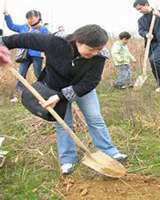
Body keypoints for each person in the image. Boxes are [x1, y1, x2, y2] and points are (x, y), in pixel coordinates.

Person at [0, 24, 127, 174]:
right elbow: (24, 39)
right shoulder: (56, 43)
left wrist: (61, 97)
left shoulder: (99, 56)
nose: (94, 53)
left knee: (95, 118)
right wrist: (3, 43)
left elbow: (90, 82)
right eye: (91, 49)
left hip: (81, 89)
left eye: (98, 49)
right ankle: (67, 160)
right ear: (78, 41)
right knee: (63, 123)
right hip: (55, 87)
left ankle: (109, 151)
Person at [3, 9, 49, 102]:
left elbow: (48, 41)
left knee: (38, 74)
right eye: (28, 18)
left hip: (37, 54)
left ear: (38, 17)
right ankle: (19, 95)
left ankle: (45, 92)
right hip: (24, 56)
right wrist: (7, 15)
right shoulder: (23, 27)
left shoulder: (43, 29)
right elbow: (11, 26)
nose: (30, 19)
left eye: (32, 17)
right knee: (21, 74)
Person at [133, 0, 160, 92]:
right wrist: (146, 34)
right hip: (151, 43)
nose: (139, 11)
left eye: (140, 8)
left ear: (146, 5)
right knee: (153, 64)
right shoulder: (141, 20)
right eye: (138, 10)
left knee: (155, 59)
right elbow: (141, 31)